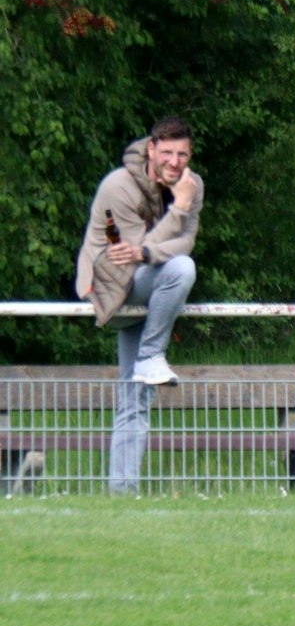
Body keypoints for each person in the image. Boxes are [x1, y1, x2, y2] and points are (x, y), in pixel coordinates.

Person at [74, 116, 202, 495]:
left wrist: (149, 250)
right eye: (167, 153)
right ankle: (150, 356)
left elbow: (185, 241)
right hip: (112, 285)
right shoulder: (118, 186)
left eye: (182, 154)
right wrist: (179, 209)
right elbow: (132, 255)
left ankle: (122, 492)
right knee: (182, 269)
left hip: (149, 288)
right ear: (151, 149)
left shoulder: (191, 185)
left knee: (135, 397)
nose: (174, 162)